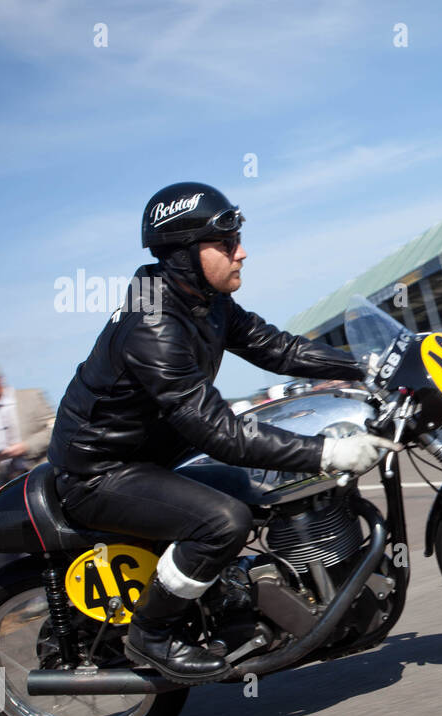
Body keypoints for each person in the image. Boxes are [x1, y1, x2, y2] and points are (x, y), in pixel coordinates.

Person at [48, 182, 397, 683]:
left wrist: (369, 364)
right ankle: (151, 636)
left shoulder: (204, 301)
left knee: (270, 490)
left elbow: (277, 348)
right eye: (227, 242)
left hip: (156, 454)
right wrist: (329, 452)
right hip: (102, 472)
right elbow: (218, 432)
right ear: (187, 253)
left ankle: (247, 600)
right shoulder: (152, 324)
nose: (242, 251)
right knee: (223, 522)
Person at [0, 362, 55, 484]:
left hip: (43, 474)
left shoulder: (32, 397)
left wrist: (26, 446)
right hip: (9, 483)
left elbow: (55, 430)